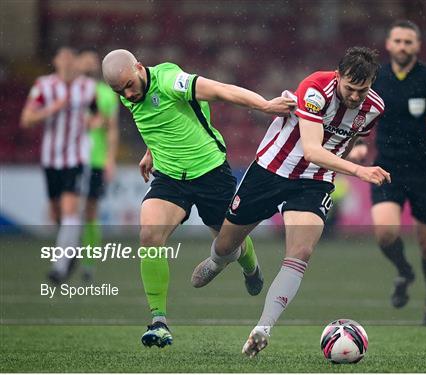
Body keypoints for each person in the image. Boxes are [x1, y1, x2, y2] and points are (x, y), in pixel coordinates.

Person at [191, 47, 391, 357]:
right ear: (338, 77)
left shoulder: (374, 107)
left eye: (361, 90)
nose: (354, 96)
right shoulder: (315, 88)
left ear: (371, 84)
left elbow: (348, 139)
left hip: (315, 181)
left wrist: (351, 154)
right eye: (349, 88)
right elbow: (310, 149)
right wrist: (359, 170)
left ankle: (263, 328)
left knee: (301, 251)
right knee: (225, 244)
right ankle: (223, 260)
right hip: (271, 170)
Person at [100, 49, 295, 348]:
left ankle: (250, 267)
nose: (128, 93)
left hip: (210, 173)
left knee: (230, 246)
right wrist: (152, 150)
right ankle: (159, 322)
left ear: (139, 67)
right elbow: (161, 119)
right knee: (149, 235)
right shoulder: (129, 92)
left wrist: (266, 105)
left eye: (129, 84)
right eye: (119, 91)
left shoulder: (170, 80)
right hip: (169, 179)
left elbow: (220, 90)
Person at [351, 20, 426, 325]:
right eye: (398, 41)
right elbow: (358, 116)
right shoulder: (376, 79)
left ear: (418, 46)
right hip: (387, 167)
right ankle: (404, 272)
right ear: (388, 45)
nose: (403, 46)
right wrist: (360, 143)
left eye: (409, 42)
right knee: (385, 234)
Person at [20, 46, 97, 284]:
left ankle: (60, 267)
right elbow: (27, 119)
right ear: (54, 61)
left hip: (75, 157)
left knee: (70, 209)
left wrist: (91, 123)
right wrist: (53, 109)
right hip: (51, 158)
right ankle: (71, 246)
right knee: (56, 213)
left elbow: (97, 114)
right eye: (61, 55)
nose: (65, 59)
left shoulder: (87, 87)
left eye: (70, 56)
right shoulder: (44, 86)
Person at [76, 49, 119, 283]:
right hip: (70, 160)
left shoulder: (105, 94)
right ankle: (69, 253)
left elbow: (111, 128)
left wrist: (110, 159)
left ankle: (89, 262)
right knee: (68, 210)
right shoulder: (69, 92)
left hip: (95, 159)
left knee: (90, 210)